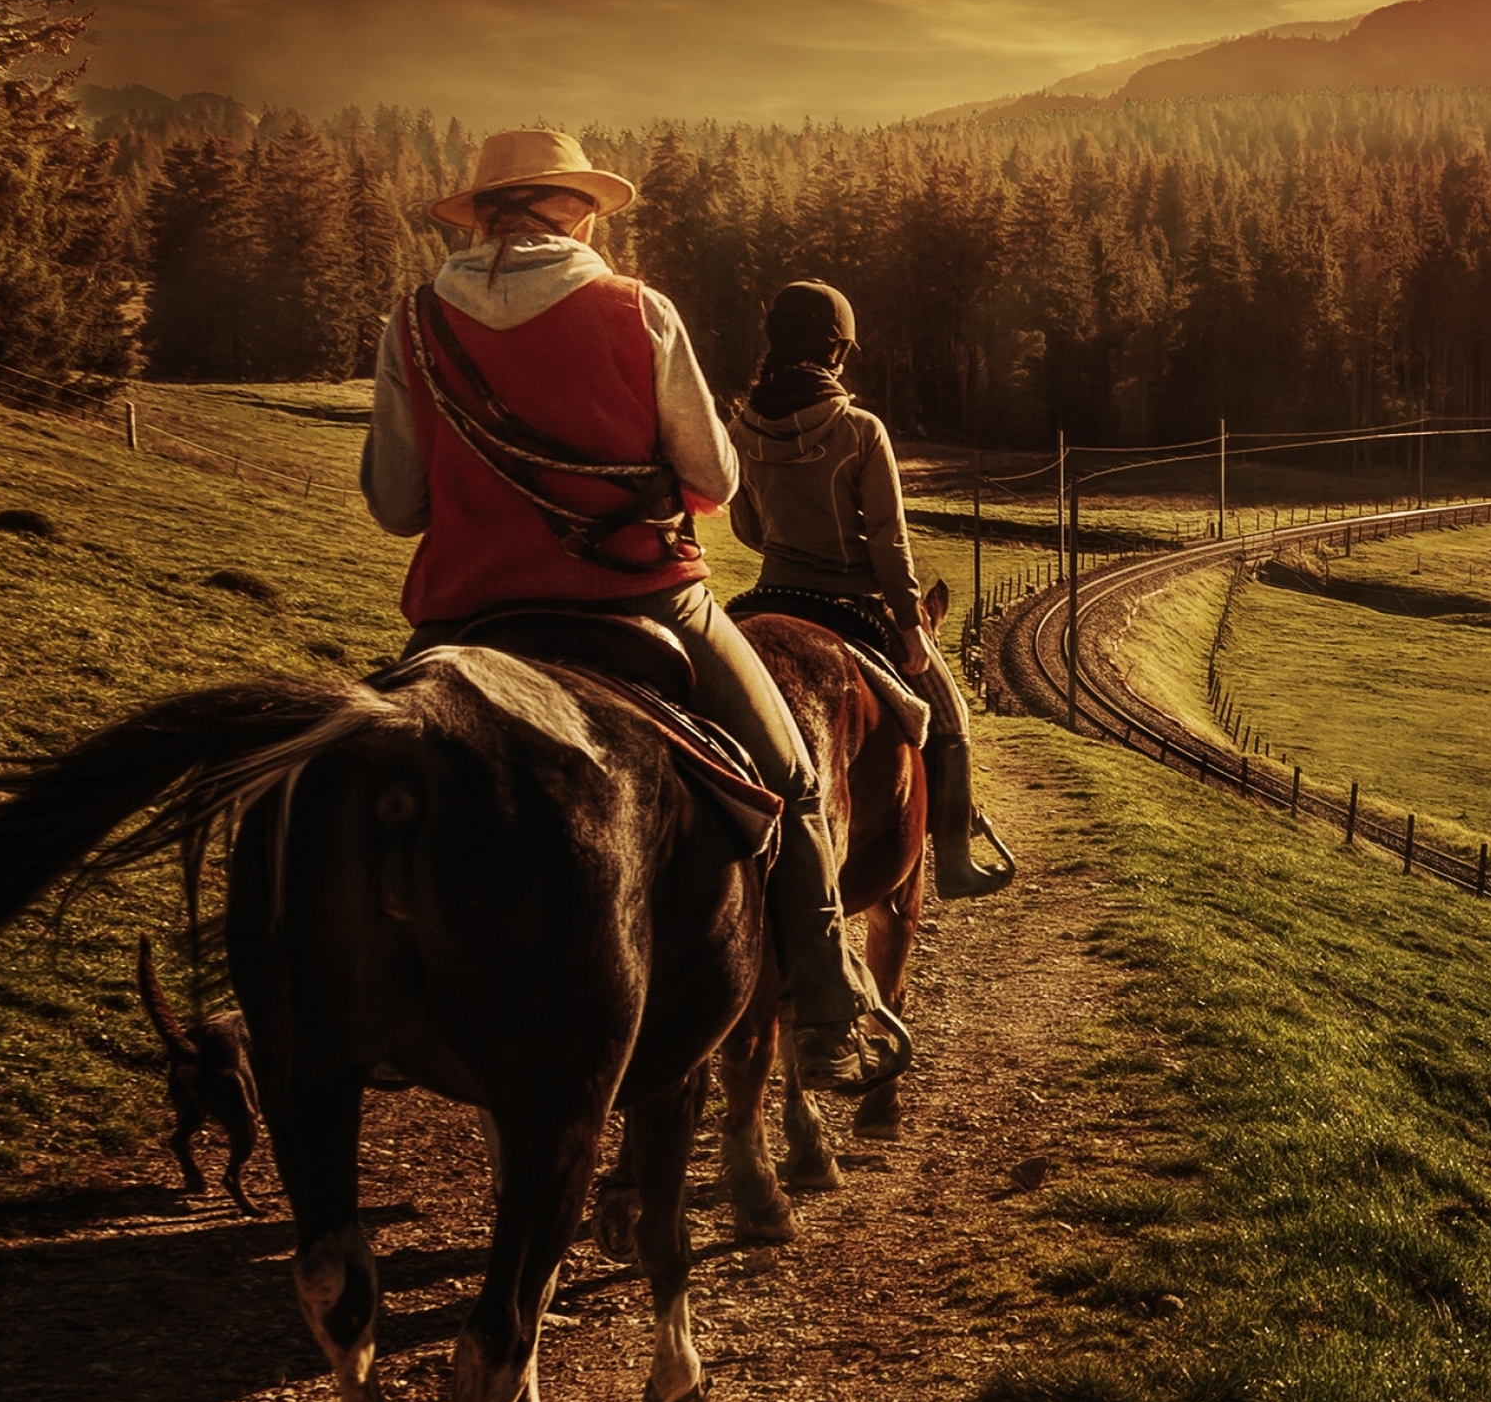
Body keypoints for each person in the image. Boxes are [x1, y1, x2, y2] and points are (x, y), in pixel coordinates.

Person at [359, 131, 910, 1093]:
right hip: (644, 595)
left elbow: (397, 504)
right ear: (576, 210)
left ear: (483, 212)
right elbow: (710, 480)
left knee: (361, 786)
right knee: (787, 771)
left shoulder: (410, 322)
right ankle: (824, 1002)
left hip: (465, 614)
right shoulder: (637, 310)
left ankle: (368, 1006)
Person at [727, 279, 1016, 899]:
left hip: (767, 594)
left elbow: (747, 527)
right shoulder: (860, 429)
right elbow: (889, 541)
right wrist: (910, 623)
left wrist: (789, 545)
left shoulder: (742, 430)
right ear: (838, 350)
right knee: (952, 713)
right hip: (854, 601)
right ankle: (956, 861)